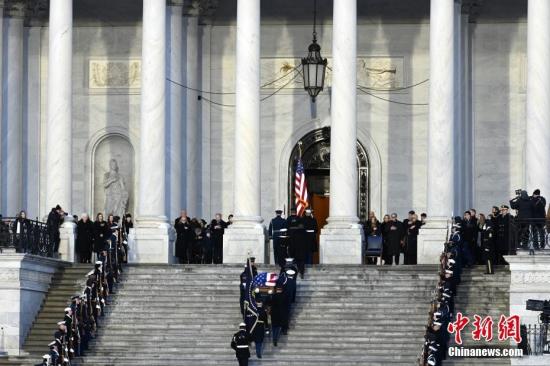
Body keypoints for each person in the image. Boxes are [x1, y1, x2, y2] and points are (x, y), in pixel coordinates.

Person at [287, 212, 307, 278]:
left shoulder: (295, 233)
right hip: (303, 250)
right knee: (302, 262)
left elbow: (292, 243)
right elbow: (307, 243)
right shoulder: (305, 234)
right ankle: (302, 272)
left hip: (297, 250)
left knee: (298, 261)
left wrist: (291, 250)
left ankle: (299, 270)